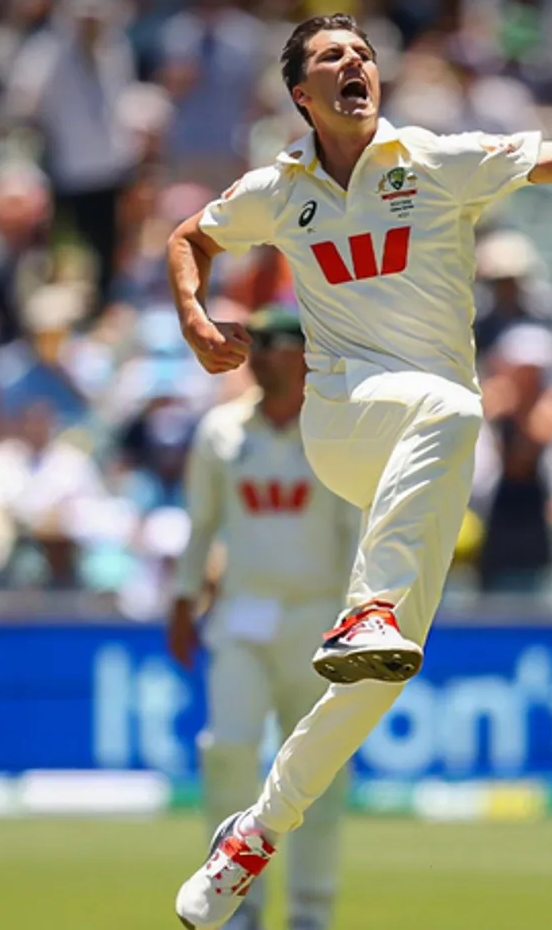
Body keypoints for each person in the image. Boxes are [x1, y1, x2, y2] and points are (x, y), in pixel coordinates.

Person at [166, 13, 552, 929]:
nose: (355, 64)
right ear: (301, 95)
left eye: (364, 54)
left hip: (421, 455)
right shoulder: (278, 189)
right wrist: (193, 317)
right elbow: (191, 236)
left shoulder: (432, 160)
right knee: (455, 407)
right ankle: (368, 606)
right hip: (345, 421)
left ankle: (251, 837)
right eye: (331, 58)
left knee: (379, 678)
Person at [167, 306, 357, 930]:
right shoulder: (222, 431)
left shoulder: (332, 429)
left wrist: (360, 612)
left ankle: (310, 911)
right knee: (228, 754)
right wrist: (183, 598)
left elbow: (355, 532)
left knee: (317, 773)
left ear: (305, 354)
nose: (262, 356)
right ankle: (237, 906)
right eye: (259, 344)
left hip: (317, 617)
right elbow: (201, 524)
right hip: (242, 613)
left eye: (276, 344)